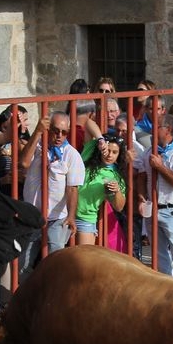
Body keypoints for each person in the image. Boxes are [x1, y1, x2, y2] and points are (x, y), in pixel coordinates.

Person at [19, 111, 85, 268]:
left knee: (55, 264)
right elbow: (24, 163)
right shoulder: (38, 145)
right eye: (55, 131)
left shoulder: (71, 155)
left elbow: (72, 188)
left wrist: (71, 216)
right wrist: (37, 132)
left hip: (57, 217)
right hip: (32, 214)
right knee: (22, 265)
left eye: (64, 132)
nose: (59, 136)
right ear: (48, 129)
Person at [145, 114, 173, 280]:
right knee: (159, 253)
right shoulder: (150, 151)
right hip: (153, 208)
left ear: (168, 130)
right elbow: (142, 175)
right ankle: (167, 285)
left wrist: (160, 167)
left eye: (156, 126)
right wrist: (142, 198)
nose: (152, 129)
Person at [75, 119, 129, 247]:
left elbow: (119, 207)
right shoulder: (89, 153)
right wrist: (100, 140)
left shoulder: (116, 176)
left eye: (115, 152)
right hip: (63, 212)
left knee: (84, 256)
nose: (110, 155)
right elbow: (88, 123)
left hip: (85, 218)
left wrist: (116, 191)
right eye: (108, 150)